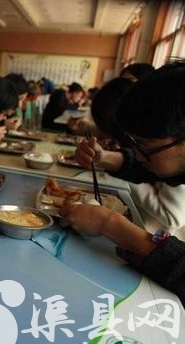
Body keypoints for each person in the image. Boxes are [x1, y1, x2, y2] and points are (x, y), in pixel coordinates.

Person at [62, 61, 185, 304]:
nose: (136, 154)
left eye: (143, 146)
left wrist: (109, 223)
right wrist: (104, 158)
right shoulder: (169, 156)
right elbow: (148, 168)